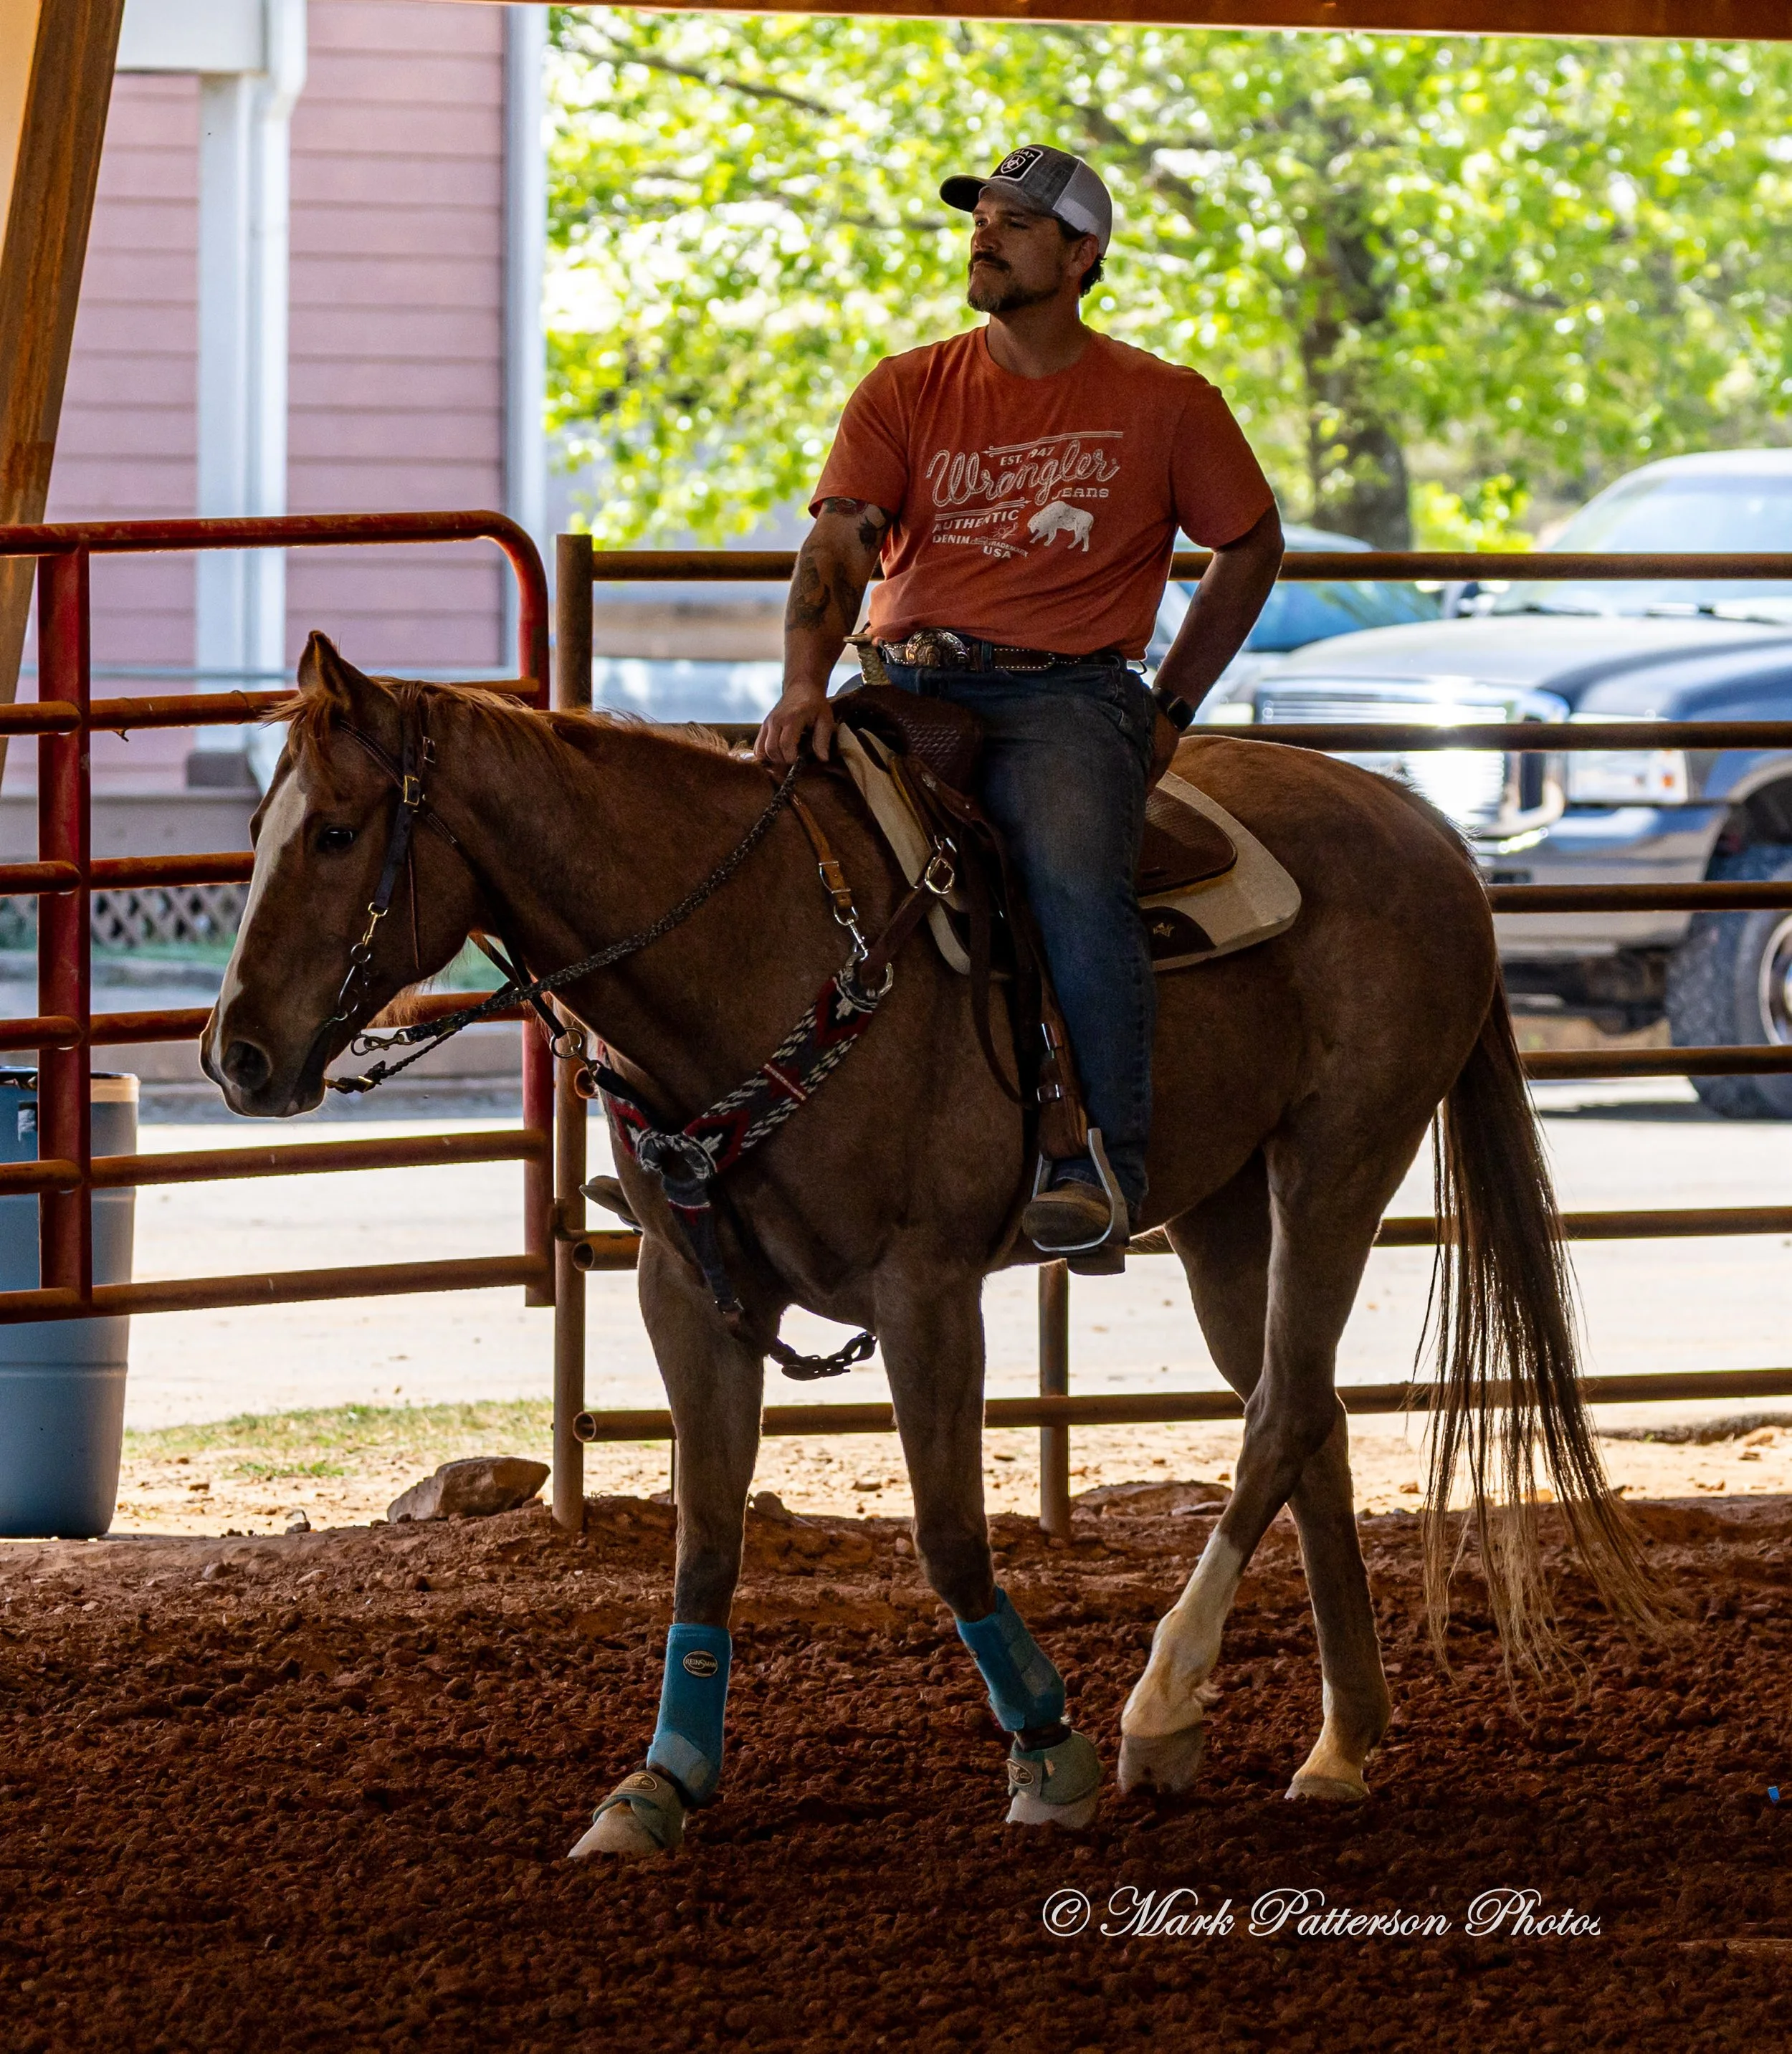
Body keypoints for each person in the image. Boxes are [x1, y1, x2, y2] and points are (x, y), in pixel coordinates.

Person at [756, 144, 1282, 1256]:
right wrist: (805, 686)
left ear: (1084, 254)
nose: (984, 235)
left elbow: (1250, 541)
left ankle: (1097, 1163)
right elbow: (840, 539)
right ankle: (731, 1142)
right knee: (765, 844)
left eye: (1016, 222)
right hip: (904, 683)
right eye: (980, 218)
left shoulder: (1167, 402)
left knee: (1075, 887)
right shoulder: (905, 386)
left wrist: (1169, 707)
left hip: (1065, 698)